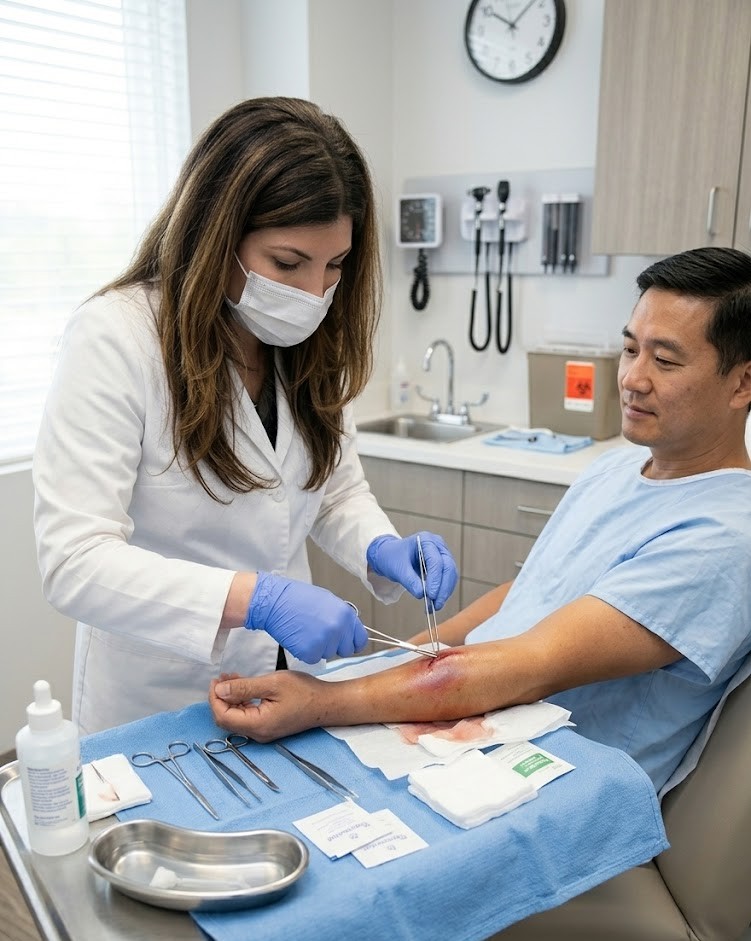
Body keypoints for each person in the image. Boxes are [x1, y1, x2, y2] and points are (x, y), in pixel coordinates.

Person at [209, 245, 751, 795]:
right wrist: (409, 654)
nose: (633, 378)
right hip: (474, 721)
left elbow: (530, 666)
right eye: (630, 349)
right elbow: (537, 585)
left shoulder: (726, 536)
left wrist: (326, 698)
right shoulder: (614, 469)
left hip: (553, 777)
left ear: (743, 383)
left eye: (665, 361)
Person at [32, 97, 457, 734]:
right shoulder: (117, 337)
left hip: (285, 681)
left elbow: (332, 489)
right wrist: (253, 599)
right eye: (288, 264)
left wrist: (382, 545)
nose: (315, 293)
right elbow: (75, 561)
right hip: (158, 688)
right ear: (215, 234)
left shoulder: (306, 342)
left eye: (334, 265)